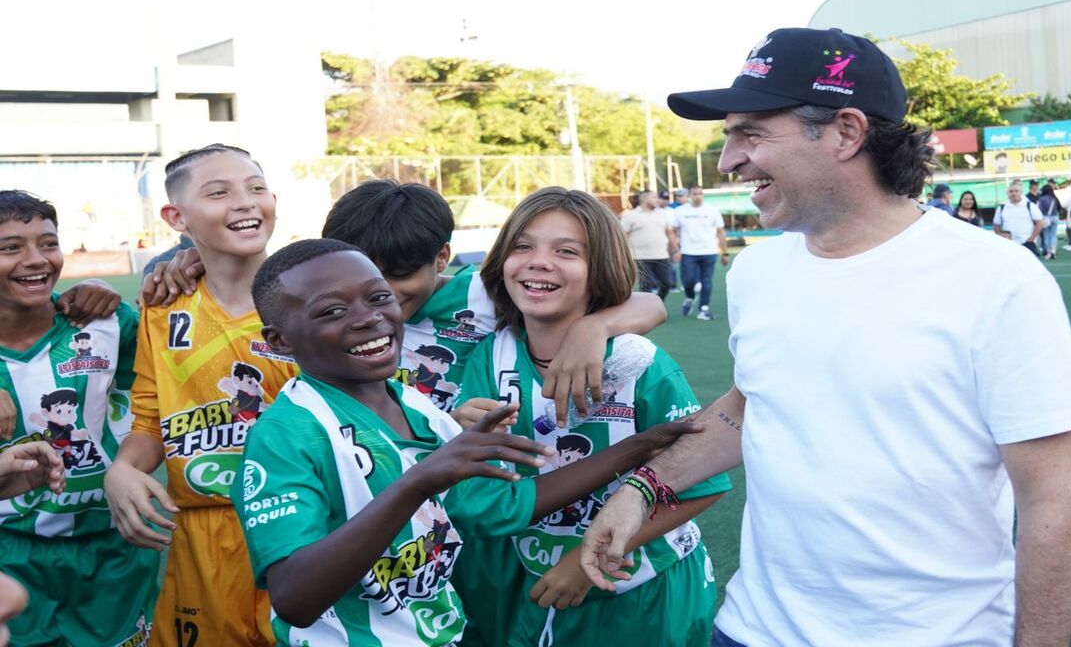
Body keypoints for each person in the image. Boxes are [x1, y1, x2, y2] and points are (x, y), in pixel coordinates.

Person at [581, 27, 1071, 646]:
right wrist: (643, 487)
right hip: (754, 630)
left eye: (750, 133)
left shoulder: (996, 279)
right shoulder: (756, 273)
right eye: (729, 136)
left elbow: (1053, 502)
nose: (728, 160)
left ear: (846, 133)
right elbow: (751, 410)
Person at [231, 239, 696, 645]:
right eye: (332, 312)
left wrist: (634, 450)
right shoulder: (286, 436)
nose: (368, 319)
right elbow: (295, 598)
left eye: (379, 298)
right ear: (280, 341)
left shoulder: (415, 405)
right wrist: (417, 483)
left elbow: (498, 506)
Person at [317, 178, 668, 647]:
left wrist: (594, 326)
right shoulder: (328, 313)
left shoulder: (483, 297)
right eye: (360, 279)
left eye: (396, 277)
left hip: (491, 518)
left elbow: (648, 303)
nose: (377, 298)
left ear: (441, 258)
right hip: (388, 516)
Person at [459, 187, 730, 646]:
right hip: (537, 575)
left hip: (646, 590)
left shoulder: (638, 361)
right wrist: (460, 426)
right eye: (522, 246)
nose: (539, 261)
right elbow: (477, 490)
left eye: (566, 251)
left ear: (600, 271)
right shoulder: (489, 357)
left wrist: (593, 553)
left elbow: (701, 485)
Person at [103, 144, 297, 647]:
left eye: (256, 188)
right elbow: (150, 417)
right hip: (199, 544)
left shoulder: (312, 299)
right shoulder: (162, 307)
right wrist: (122, 469)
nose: (245, 202)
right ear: (176, 216)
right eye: (219, 193)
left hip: (300, 530)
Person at [0, 190, 152, 647]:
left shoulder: (103, 322)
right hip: (9, 553)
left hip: (112, 549)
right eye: (11, 247)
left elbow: (167, 382)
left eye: (48, 243)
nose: (36, 259)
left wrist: (176, 267)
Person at [672, 185, 730, 320]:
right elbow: (672, 231)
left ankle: (704, 309)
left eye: (700, 193)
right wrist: (675, 249)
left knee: (706, 280)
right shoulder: (680, 211)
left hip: (709, 251)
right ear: (689, 196)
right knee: (688, 281)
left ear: (703, 195)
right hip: (688, 252)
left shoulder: (712, 210)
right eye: (694, 194)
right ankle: (690, 297)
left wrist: (725, 252)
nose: (697, 196)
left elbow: (720, 231)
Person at [619, 191, 677, 300]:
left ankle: (658, 302)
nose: (657, 200)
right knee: (646, 286)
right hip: (640, 257)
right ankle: (648, 311)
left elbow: (670, 233)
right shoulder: (631, 216)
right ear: (644, 199)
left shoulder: (663, 214)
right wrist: (623, 254)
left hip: (661, 255)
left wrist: (676, 250)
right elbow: (623, 236)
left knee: (667, 283)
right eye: (654, 197)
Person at [993, 182, 1044, 256]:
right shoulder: (1001, 208)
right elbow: (996, 225)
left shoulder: (1030, 205)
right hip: (1008, 244)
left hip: (1027, 243)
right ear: (1007, 193)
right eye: (1011, 191)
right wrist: (1001, 236)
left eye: (1016, 191)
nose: (1014, 193)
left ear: (1021, 193)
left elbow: (1040, 222)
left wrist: (1032, 238)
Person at [1036, 183, 1062, 259]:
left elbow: (1038, 210)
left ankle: (1048, 252)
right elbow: (1059, 208)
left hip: (1045, 217)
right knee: (1053, 235)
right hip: (1055, 217)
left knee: (1046, 235)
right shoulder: (1054, 198)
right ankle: (1053, 250)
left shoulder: (1041, 199)